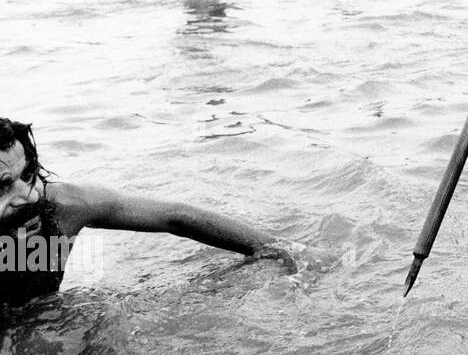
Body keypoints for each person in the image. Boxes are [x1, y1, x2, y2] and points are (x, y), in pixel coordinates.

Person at [0, 118, 298, 309]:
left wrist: (280, 250)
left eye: (27, 174)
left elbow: (174, 216)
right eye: (3, 188)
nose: (29, 195)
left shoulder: (64, 208)